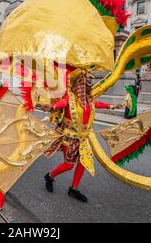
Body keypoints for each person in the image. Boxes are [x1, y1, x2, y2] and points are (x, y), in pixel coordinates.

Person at [43, 70, 123, 202]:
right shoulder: (71, 98)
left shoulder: (89, 99)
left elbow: (98, 105)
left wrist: (114, 106)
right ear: (80, 84)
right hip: (69, 137)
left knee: (82, 163)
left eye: (89, 83)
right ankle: (49, 176)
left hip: (83, 138)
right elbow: (62, 104)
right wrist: (51, 107)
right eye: (87, 82)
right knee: (69, 164)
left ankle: (73, 189)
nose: (89, 85)